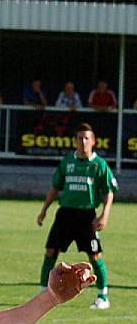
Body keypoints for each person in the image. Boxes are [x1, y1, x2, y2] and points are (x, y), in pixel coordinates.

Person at [37, 122, 117, 310]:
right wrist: (44, 210)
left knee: (95, 256)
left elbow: (109, 192)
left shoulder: (99, 165)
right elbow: (55, 187)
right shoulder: (67, 162)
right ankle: (43, 292)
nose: (83, 141)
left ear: (93, 141)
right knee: (50, 252)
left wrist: (104, 215)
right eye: (79, 138)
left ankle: (103, 295)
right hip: (65, 214)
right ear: (74, 141)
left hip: (87, 215)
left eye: (86, 138)